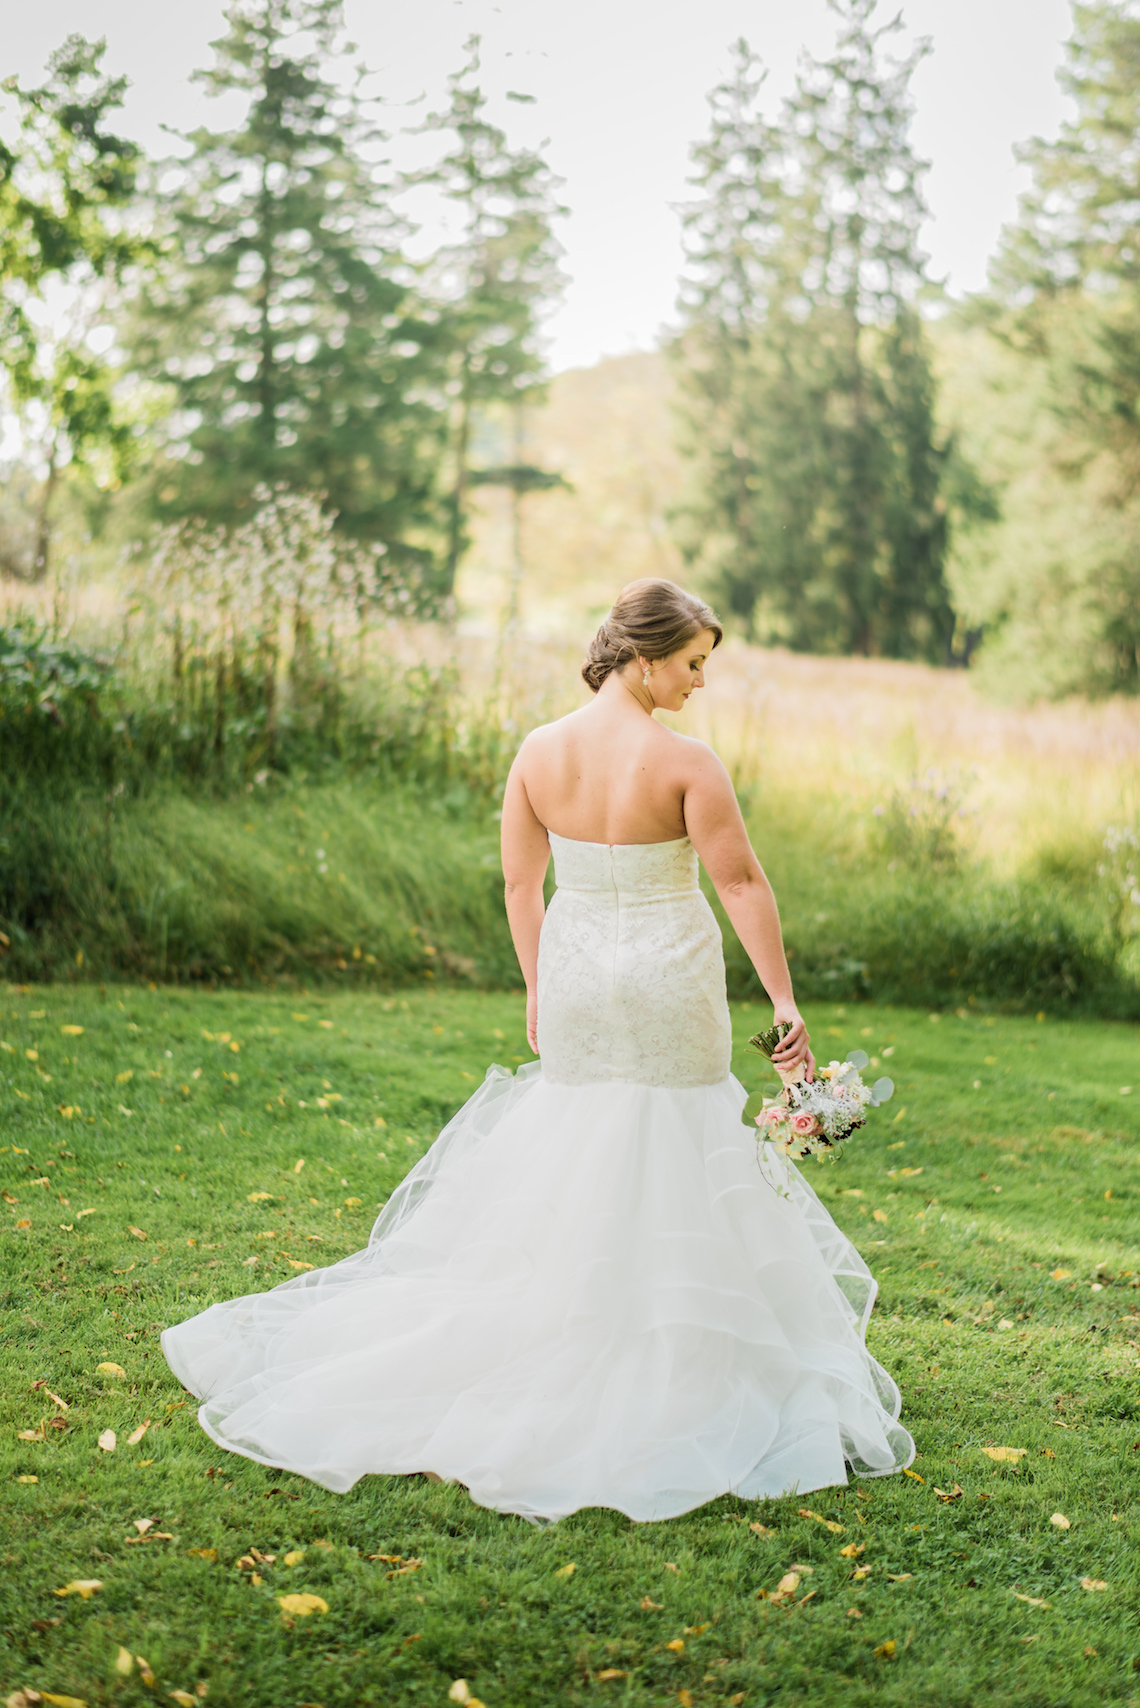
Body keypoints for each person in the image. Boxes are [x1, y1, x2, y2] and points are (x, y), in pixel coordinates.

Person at [162, 578, 914, 1521]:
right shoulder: (689, 765)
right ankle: (670, 1356)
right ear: (644, 660)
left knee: (576, 1137)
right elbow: (742, 885)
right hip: (667, 982)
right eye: (692, 664)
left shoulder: (538, 751)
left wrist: (537, 983)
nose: (700, 682)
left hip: (577, 979)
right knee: (675, 1138)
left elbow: (523, 887)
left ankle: (550, 1332)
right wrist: (783, 1001)